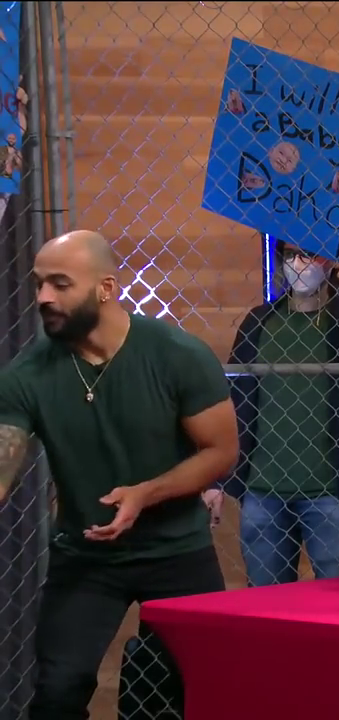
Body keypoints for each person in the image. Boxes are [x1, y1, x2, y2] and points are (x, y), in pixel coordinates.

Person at [0, 230, 237, 719]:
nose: (43, 297)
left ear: (106, 288)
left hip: (176, 550)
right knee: (58, 693)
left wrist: (145, 494)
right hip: (85, 555)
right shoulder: (26, 375)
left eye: (60, 284)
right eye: (39, 284)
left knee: (208, 685)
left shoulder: (177, 354)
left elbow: (220, 452)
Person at [221, 240, 339, 587]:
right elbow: (235, 400)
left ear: (330, 261)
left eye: (309, 255)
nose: (298, 263)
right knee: (265, 607)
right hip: (262, 491)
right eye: (290, 255)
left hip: (332, 491)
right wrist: (221, 480)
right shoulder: (259, 321)